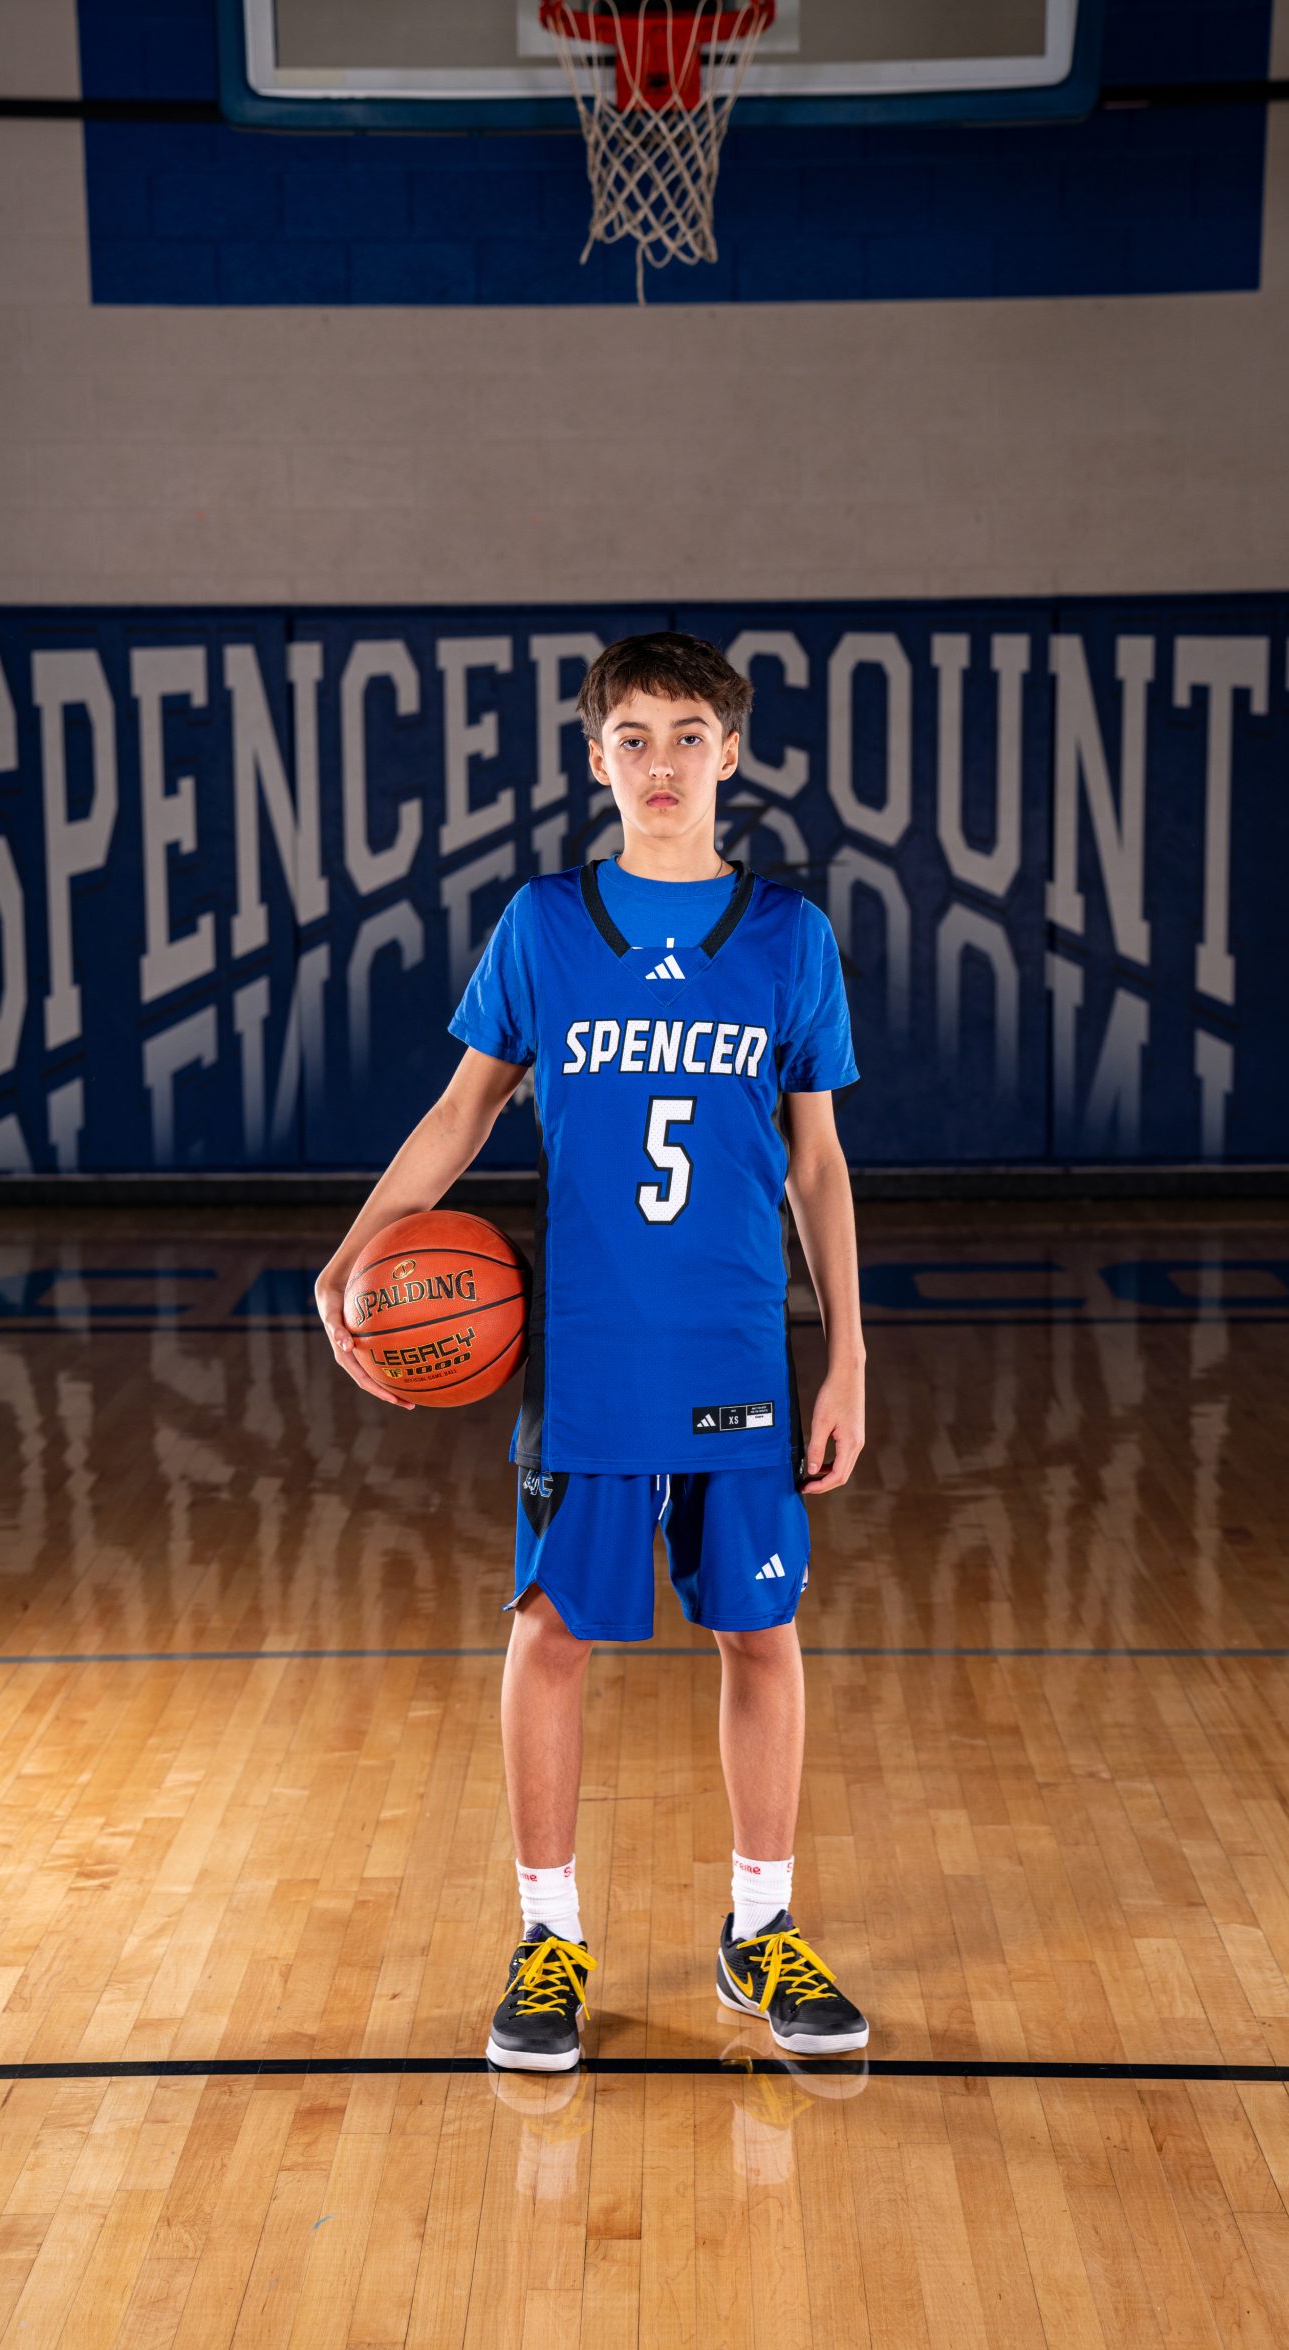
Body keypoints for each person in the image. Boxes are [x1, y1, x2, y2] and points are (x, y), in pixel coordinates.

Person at [315, 631, 868, 2070]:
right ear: (594, 757)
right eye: (634, 737)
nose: (661, 763)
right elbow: (463, 1110)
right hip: (589, 1355)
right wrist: (357, 1251)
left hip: (738, 1346)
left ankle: (761, 1929)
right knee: (552, 1632)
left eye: (688, 736)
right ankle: (548, 1939)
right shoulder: (545, 926)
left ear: (731, 752)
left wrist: (849, 1358)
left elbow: (817, 1165)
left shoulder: (788, 937)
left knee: (759, 1630)